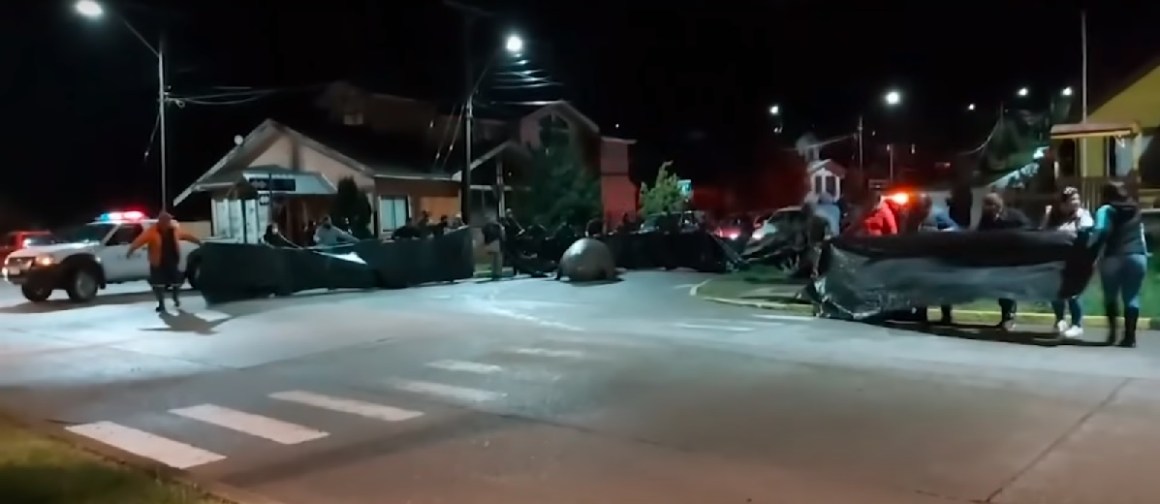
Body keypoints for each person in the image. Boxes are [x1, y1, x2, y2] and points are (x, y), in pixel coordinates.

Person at [1090, 181, 1149, 348]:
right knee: (1132, 297)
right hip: (1137, 255)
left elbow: (1100, 230)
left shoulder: (1106, 209)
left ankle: (1112, 333)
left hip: (1113, 256)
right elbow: (1142, 233)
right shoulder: (1136, 209)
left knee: (1110, 296)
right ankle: (1130, 337)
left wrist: (1090, 247)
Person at [1041, 186, 1093, 339]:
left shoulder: (1083, 216)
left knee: (1073, 293)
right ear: (1062, 203)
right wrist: (1047, 215)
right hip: (1056, 259)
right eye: (1072, 200)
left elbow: (1087, 233)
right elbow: (1043, 233)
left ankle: (1077, 324)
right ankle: (1060, 319)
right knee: (1056, 291)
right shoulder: (1053, 216)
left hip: (1075, 260)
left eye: (1077, 199)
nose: (1076, 202)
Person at [976, 192, 1032, 331]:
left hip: (1012, 259)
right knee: (1000, 289)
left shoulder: (1014, 216)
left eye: (990, 205)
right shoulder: (986, 219)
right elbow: (980, 235)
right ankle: (1004, 317)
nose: (988, 209)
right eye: (986, 206)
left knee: (1009, 288)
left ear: (998, 204)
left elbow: (1028, 230)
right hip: (996, 259)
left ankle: (1010, 318)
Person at [126, 212, 202, 312]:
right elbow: (139, 240)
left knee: (177, 281)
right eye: (167, 220)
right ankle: (161, 304)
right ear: (161, 221)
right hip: (157, 262)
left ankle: (175, 297)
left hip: (172, 260)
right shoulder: (152, 232)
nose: (168, 222)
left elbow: (187, 236)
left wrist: (198, 242)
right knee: (158, 285)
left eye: (169, 220)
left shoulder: (174, 231)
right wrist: (131, 250)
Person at [910, 193, 958, 324]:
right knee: (921, 287)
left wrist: (937, 235)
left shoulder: (938, 215)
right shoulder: (913, 216)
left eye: (919, 206)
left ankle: (946, 315)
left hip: (937, 257)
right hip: (921, 257)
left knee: (942, 287)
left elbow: (955, 230)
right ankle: (921, 314)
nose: (916, 209)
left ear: (927, 206)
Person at [481, 215, 505, 280]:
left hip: (490, 243)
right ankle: (498, 273)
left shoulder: (486, 226)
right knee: (498, 259)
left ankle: (494, 273)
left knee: (493, 260)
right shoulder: (497, 226)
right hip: (496, 242)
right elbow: (502, 234)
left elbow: (483, 233)